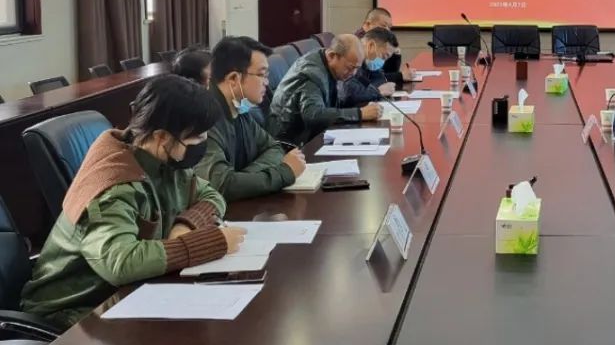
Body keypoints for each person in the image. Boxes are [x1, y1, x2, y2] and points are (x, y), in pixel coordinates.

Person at [20, 75, 246, 328]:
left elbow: (211, 195)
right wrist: (208, 244)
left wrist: (186, 225)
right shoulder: (113, 185)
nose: (202, 145)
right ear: (162, 137)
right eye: (196, 138)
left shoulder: (164, 160)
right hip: (72, 312)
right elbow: (120, 263)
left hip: (126, 293)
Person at [196, 36, 306, 201]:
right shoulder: (204, 119)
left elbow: (274, 148)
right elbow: (222, 186)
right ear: (234, 79)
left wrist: (245, 178)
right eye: (262, 74)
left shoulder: (240, 107)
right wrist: (284, 173)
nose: (266, 82)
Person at [268, 33, 379, 145]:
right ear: (332, 56)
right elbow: (313, 115)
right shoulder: (312, 74)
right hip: (290, 143)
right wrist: (359, 114)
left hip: (309, 135)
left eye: (357, 68)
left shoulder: (327, 63)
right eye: (350, 68)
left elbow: (338, 100)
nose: (353, 73)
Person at [354, 7, 414, 85]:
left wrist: (395, 55)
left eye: (389, 27)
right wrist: (400, 76)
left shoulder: (381, 42)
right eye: (384, 26)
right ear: (368, 24)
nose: (387, 30)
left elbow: (380, 75)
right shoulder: (356, 46)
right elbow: (366, 83)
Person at [341, 27, 398, 108]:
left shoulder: (367, 61)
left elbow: (380, 80)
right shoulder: (350, 55)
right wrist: (378, 91)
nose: (383, 61)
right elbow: (347, 93)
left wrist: (374, 90)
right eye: (383, 56)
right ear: (371, 45)